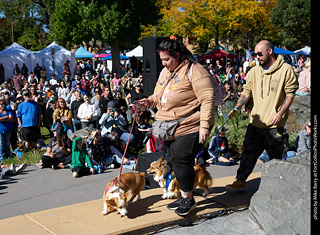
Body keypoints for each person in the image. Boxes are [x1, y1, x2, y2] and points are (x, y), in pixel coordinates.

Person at [139, 36, 215, 216]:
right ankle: (183, 195)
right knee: (174, 160)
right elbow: (158, 94)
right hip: (169, 125)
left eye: (167, 60)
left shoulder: (195, 70)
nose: (164, 64)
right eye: (161, 60)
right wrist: (148, 101)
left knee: (181, 158)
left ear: (178, 55)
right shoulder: (165, 72)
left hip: (191, 123)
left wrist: (204, 126)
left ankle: (188, 198)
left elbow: (207, 98)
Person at [226, 40, 298, 191]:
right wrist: (237, 107)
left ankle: (278, 187)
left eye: (259, 54)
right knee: (247, 155)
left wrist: (280, 113)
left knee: (276, 159)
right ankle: (240, 181)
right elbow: (246, 93)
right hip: (256, 124)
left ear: (270, 51)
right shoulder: (253, 71)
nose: (256, 57)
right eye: (255, 54)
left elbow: (290, 94)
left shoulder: (285, 69)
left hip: (274, 125)